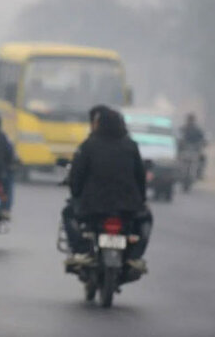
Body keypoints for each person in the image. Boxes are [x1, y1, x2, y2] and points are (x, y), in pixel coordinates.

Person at [64, 106, 151, 272]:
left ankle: (82, 251)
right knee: (146, 219)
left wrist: (76, 195)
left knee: (68, 212)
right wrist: (141, 200)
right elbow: (140, 177)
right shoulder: (131, 146)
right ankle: (134, 256)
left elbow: (77, 176)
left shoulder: (88, 146)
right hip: (128, 207)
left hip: (93, 206)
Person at [179, 113, 207, 179]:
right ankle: (177, 171)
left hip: (195, 150)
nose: (190, 121)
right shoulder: (183, 129)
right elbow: (178, 137)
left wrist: (203, 143)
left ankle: (199, 173)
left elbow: (202, 139)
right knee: (177, 158)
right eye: (189, 120)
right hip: (184, 150)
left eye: (191, 120)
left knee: (202, 158)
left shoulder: (197, 130)